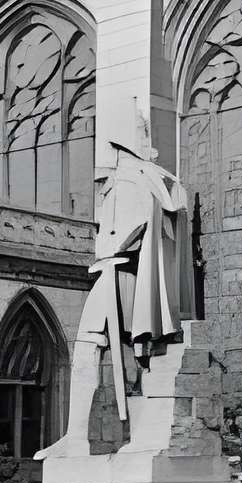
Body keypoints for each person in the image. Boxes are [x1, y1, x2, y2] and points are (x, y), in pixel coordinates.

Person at [39, 99, 194, 459]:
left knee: (89, 348)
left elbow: (133, 225)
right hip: (131, 277)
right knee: (132, 353)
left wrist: (110, 246)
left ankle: (79, 437)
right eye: (140, 131)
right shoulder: (153, 179)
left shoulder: (129, 180)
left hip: (117, 272)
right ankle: (121, 439)